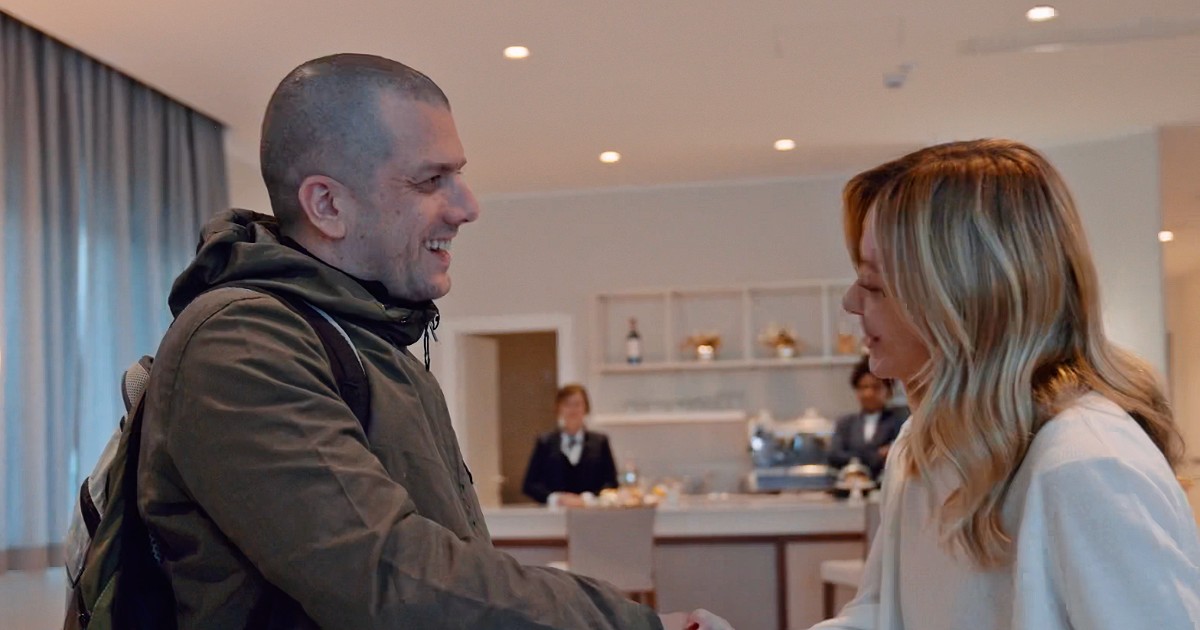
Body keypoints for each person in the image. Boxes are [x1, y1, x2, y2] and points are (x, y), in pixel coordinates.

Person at [137, 54, 724, 630]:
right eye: (430, 180)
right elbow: (391, 576)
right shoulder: (241, 342)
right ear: (328, 205)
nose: (468, 207)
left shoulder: (368, 340)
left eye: (458, 175)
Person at [813, 139, 1200, 630]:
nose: (851, 301)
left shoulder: (1087, 462)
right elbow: (882, 616)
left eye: (874, 284)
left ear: (965, 299)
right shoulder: (921, 446)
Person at [523, 384, 619, 506]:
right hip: (554, 513)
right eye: (567, 404)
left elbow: (611, 482)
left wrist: (587, 498)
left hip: (591, 512)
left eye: (577, 404)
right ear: (559, 408)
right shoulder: (545, 443)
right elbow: (530, 485)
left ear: (586, 408)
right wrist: (555, 498)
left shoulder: (600, 443)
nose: (572, 410)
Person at [828, 357, 906, 479]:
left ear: (888, 391)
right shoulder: (845, 423)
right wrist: (876, 456)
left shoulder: (900, 423)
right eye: (863, 387)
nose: (869, 393)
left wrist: (855, 457)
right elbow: (834, 456)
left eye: (876, 387)